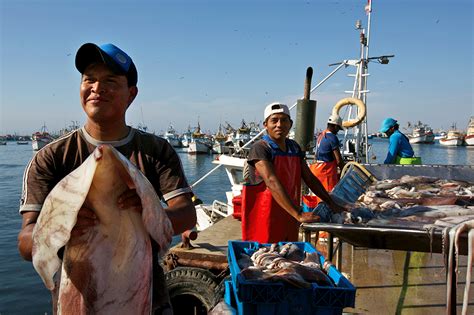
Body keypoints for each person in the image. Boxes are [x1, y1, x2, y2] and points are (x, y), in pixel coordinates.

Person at [17, 42, 196, 314]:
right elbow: (25, 241)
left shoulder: (156, 151)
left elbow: (186, 215)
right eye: (89, 79)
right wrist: (58, 227)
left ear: (131, 94)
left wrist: (149, 210)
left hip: (147, 297)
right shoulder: (51, 157)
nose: (97, 88)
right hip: (78, 300)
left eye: (110, 81)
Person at [241, 102, 345, 243]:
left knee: (290, 253)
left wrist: (330, 202)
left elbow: (309, 178)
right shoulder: (260, 148)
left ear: (290, 124)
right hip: (265, 215)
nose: (279, 125)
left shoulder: (294, 147)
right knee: (266, 256)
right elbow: (271, 181)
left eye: (284, 120)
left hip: (290, 214)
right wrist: (299, 214)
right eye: (274, 120)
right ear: (265, 125)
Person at [309, 113, 345, 203]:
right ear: (335, 126)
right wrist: (344, 170)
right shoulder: (332, 137)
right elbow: (338, 160)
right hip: (325, 173)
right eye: (338, 129)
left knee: (319, 197)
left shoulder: (321, 135)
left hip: (316, 169)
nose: (338, 131)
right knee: (328, 199)